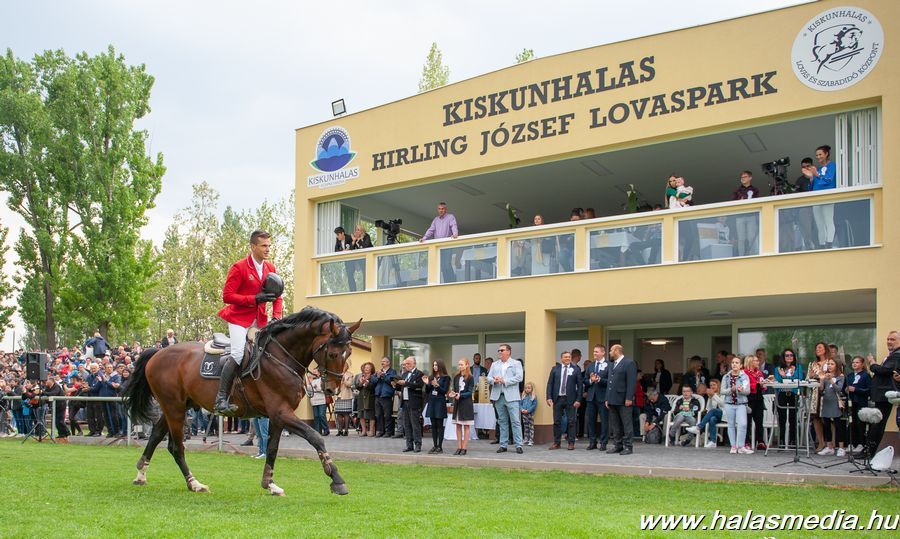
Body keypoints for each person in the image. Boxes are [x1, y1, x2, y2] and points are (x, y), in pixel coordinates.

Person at [214, 230, 283, 415]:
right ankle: (221, 398)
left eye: (269, 245)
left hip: (260, 319)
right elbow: (227, 296)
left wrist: (277, 316)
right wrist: (254, 299)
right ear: (253, 247)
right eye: (264, 246)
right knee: (237, 354)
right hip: (239, 319)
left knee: (269, 355)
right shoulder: (239, 267)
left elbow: (278, 297)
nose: (268, 249)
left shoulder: (270, 268)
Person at [863, 330, 900, 458]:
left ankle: (869, 453)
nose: (889, 341)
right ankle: (868, 452)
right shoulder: (893, 354)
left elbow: (885, 370)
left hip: (885, 395)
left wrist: (872, 363)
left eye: (893, 339)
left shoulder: (897, 354)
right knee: (877, 423)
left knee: (878, 423)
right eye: (888, 339)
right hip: (883, 394)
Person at [488, 344, 524, 454]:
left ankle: (519, 445)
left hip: (512, 397)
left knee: (515, 421)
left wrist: (504, 381)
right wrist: (494, 380)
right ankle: (503, 445)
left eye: (502, 350)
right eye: (498, 350)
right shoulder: (494, 364)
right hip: (499, 397)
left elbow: (519, 377)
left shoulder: (516, 363)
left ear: (508, 351)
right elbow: (488, 378)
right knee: (502, 421)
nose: (499, 352)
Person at [802, 144, 838, 248]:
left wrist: (816, 174)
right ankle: (822, 244)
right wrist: (811, 178)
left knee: (828, 220)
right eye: (816, 155)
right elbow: (812, 187)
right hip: (817, 198)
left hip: (828, 196)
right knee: (819, 223)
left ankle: (829, 243)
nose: (818, 157)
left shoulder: (832, 166)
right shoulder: (817, 169)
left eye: (820, 154)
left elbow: (829, 180)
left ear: (826, 154)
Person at [546, 351, 582, 450]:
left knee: (571, 421)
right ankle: (557, 443)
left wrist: (578, 399)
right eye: (565, 357)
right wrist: (548, 397)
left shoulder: (576, 370)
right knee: (557, 421)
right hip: (557, 398)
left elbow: (580, 386)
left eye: (569, 357)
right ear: (561, 358)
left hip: (571, 399)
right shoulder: (555, 369)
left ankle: (571, 443)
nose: (567, 358)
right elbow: (550, 384)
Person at [605, 344, 637, 455]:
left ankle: (628, 446)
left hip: (624, 399)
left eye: (611, 350)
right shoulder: (612, 364)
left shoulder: (629, 363)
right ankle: (617, 445)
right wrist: (607, 398)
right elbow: (609, 382)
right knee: (615, 424)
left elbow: (631, 382)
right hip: (612, 399)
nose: (609, 353)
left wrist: (629, 397)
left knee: (626, 423)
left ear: (617, 350)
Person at [419, 202, 459, 283]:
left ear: (445, 209)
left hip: (447, 245)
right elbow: (431, 230)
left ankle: (452, 282)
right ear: (438, 210)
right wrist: (424, 238)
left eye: (442, 209)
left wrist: (455, 233)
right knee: (443, 267)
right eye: (439, 209)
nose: (441, 210)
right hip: (438, 247)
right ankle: (446, 283)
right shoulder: (435, 220)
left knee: (447, 265)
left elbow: (453, 225)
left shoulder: (450, 217)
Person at [721, 356, 753, 454]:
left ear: (741, 365)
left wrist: (741, 390)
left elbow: (748, 391)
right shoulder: (726, 376)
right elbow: (722, 391)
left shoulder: (744, 377)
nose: (734, 364)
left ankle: (741, 446)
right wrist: (731, 389)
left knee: (743, 424)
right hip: (729, 403)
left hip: (741, 403)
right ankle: (733, 446)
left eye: (737, 363)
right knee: (731, 424)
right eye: (733, 362)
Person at [774, 348, 804, 448]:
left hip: (793, 393)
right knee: (782, 418)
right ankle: (781, 440)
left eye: (791, 355)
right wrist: (783, 376)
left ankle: (793, 440)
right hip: (782, 393)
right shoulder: (778, 368)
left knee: (793, 418)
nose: (789, 357)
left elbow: (798, 380)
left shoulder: (798, 367)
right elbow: (778, 381)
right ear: (783, 357)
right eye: (787, 355)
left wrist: (786, 377)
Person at [816, 358, 847, 457]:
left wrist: (831, 381)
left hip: (835, 402)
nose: (829, 366)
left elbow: (839, 389)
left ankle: (841, 447)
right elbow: (821, 390)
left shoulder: (840, 377)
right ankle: (829, 446)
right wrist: (821, 380)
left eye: (832, 364)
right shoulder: (825, 376)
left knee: (838, 425)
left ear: (836, 365)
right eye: (828, 364)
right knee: (826, 424)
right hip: (826, 402)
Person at [395, 357, 425, 453]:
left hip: (414, 402)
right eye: (405, 364)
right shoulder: (404, 374)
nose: (406, 365)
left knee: (415, 424)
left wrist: (406, 383)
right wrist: (396, 385)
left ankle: (418, 444)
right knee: (406, 424)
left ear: (414, 364)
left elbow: (419, 386)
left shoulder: (419, 374)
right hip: (405, 401)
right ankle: (409, 445)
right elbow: (401, 387)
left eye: (408, 364)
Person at [584, 344, 609, 450]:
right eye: (594, 351)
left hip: (603, 397)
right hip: (591, 397)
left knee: (604, 420)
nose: (594, 353)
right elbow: (585, 380)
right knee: (591, 420)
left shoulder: (609, 365)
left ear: (603, 352)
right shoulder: (590, 365)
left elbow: (611, 382)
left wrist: (599, 380)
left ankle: (603, 442)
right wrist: (591, 380)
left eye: (596, 351)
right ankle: (592, 442)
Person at [687, 379, 725, 448]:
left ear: (718, 385)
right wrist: (710, 398)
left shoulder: (723, 393)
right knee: (712, 419)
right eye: (710, 385)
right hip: (716, 416)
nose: (712, 386)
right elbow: (708, 409)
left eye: (714, 385)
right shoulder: (712, 395)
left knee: (714, 411)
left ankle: (698, 427)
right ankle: (713, 441)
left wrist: (714, 395)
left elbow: (722, 404)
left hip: (724, 414)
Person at [845, 355, 871, 453]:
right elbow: (845, 389)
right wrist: (846, 390)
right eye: (853, 362)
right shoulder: (850, 376)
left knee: (860, 424)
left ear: (862, 364)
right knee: (851, 423)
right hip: (851, 402)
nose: (854, 364)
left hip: (860, 402)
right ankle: (851, 443)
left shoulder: (865, 375)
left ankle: (861, 443)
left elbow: (869, 390)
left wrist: (856, 389)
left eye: (857, 362)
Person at [424, 359, 450, 454]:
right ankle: (434, 445)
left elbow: (444, 391)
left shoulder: (446, 378)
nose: (434, 366)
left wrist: (437, 385)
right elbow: (427, 391)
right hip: (432, 402)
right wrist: (427, 384)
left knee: (440, 425)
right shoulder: (431, 377)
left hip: (440, 402)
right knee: (433, 426)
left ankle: (440, 446)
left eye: (436, 365)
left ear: (440, 366)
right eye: (433, 365)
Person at [449, 358, 475, 455]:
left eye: (462, 364)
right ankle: (459, 447)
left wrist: (461, 395)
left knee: (466, 426)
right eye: (459, 364)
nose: (460, 366)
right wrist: (453, 394)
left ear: (467, 365)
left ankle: (464, 447)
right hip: (457, 404)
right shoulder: (456, 377)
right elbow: (455, 389)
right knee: (458, 425)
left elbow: (469, 392)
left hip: (466, 404)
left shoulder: (470, 378)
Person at [807, 342, 830, 452]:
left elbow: (834, 375)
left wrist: (822, 376)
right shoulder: (813, 364)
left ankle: (831, 443)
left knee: (828, 418)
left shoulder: (830, 362)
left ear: (825, 349)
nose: (818, 349)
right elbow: (808, 378)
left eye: (820, 347)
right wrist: (811, 376)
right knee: (816, 417)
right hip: (815, 392)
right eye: (816, 348)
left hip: (827, 392)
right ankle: (821, 442)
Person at [743, 355, 766, 450]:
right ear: (750, 362)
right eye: (755, 361)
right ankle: (746, 441)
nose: (758, 362)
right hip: (749, 398)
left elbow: (763, 385)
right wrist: (757, 384)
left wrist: (765, 383)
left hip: (759, 397)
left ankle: (760, 441)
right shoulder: (744, 373)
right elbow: (746, 385)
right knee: (747, 421)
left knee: (759, 421)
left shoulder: (759, 373)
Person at [373, 357, 397, 437]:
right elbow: (373, 381)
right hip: (378, 395)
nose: (382, 363)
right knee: (378, 414)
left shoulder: (392, 372)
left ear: (388, 363)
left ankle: (388, 431)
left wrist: (384, 376)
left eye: (384, 361)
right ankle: (380, 431)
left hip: (386, 395)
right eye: (381, 361)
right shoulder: (379, 371)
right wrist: (378, 376)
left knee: (387, 415)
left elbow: (392, 382)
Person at [42, 376, 69, 442]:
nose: (46, 382)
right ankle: (61, 434)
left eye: (47, 380)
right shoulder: (47, 387)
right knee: (56, 420)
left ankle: (67, 433)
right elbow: (46, 393)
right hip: (54, 405)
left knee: (60, 420)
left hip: (61, 405)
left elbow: (53, 393)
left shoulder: (56, 386)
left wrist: (43, 392)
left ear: (51, 381)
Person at [355, 362, 376, 436]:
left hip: (370, 397)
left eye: (368, 367)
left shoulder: (373, 377)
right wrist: (361, 383)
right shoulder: (361, 376)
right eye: (365, 367)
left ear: (371, 369)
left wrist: (366, 382)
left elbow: (373, 387)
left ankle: (371, 431)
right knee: (361, 414)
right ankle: (363, 431)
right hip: (361, 397)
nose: (366, 368)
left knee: (371, 415)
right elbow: (357, 387)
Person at [306, 370, 329, 436]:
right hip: (314, 400)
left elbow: (323, 388)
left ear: (319, 373)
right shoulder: (311, 380)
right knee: (316, 416)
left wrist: (316, 387)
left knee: (322, 415)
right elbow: (309, 390)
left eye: (315, 372)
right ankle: (317, 431)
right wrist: (308, 383)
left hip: (321, 399)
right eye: (313, 372)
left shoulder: (322, 379)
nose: (314, 373)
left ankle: (326, 430)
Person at [334, 362, 354, 436]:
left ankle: (346, 430)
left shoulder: (350, 374)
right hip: (338, 395)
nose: (342, 366)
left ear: (347, 367)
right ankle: (339, 430)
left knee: (346, 414)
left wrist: (343, 379)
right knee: (339, 414)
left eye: (344, 365)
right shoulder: (336, 373)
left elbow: (349, 384)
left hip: (346, 396)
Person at [520, 382, 538, 447]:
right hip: (524, 414)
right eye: (526, 388)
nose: (527, 389)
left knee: (531, 427)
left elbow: (534, 405)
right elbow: (520, 404)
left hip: (530, 414)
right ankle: (526, 439)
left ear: (532, 389)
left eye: (529, 388)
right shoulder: (523, 396)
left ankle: (531, 440)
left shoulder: (534, 396)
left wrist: (528, 410)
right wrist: (522, 409)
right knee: (526, 427)